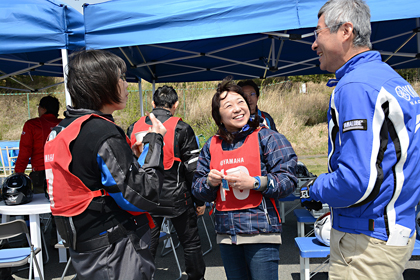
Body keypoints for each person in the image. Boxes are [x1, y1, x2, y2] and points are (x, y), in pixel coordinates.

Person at [300, 1, 420, 279]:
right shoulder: (392, 80)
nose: (313, 44)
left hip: (366, 240)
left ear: (345, 31)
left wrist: (314, 188)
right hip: (393, 229)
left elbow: (355, 181)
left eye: (317, 33)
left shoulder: (356, 86)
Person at [44, 49, 167, 280]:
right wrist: (155, 142)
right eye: (121, 77)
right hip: (114, 252)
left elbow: (88, 177)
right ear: (102, 83)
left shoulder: (61, 129)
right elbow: (141, 196)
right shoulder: (102, 131)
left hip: (84, 246)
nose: (126, 84)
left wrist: (130, 157)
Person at [192, 77, 297, 280]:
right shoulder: (211, 145)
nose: (238, 108)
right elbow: (198, 189)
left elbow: (288, 180)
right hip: (226, 236)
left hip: (261, 234)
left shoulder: (268, 137)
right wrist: (209, 183)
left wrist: (256, 182)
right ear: (218, 116)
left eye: (241, 102)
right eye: (228, 105)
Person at [127, 85, 206, 280]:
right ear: (175, 105)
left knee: (146, 246)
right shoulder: (182, 127)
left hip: (146, 198)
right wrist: (200, 201)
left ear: (152, 103)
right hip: (178, 198)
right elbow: (192, 169)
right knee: (190, 243)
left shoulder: (133, 127)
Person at [14, 95, 61, 194]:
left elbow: (25, 152)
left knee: (40, 204)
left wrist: (18, 174)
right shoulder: (65, 124)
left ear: (43, 109)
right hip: (63, 174)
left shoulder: (32, 125)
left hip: (40, 175)